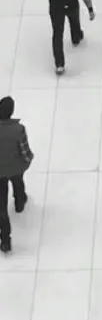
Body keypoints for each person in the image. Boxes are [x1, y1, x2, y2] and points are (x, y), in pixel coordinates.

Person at [0, 96, 34, 254]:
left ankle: (5, 240)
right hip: (15, 167)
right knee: (18, 182)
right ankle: (20, 202)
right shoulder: (18, 129)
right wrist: (28, 161)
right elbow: (25, 152)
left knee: (1, 208)